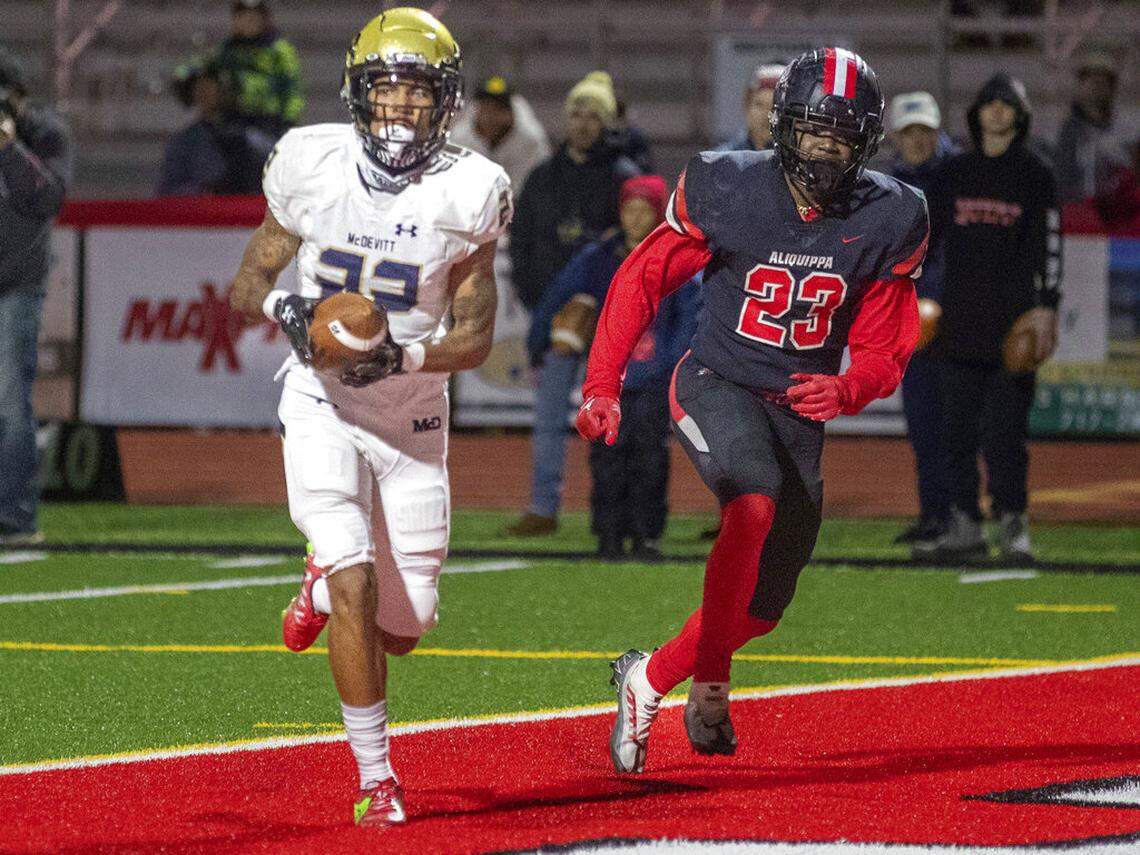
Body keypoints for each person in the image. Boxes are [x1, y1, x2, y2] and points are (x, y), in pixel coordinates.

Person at [577, 48, 927, 773]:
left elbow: (886, 343)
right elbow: (642, 279)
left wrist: (850, 386)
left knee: (764, 609)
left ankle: (648, 677)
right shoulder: (728, 184)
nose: (825, 149)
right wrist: (602, 382)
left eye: (841, 136)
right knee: (751, 506)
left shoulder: (893, 213)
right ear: (780, 127)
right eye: (812, 130)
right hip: (715, 379)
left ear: (865, 142)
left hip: (797, 411)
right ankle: (706, 685)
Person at [227, 8, 510, 827]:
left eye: (417, 96)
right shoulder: (309, 163)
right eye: (385, 92)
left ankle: (319, 583)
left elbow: (476, 335)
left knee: (408, 622)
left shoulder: (472, 190)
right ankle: (378, 777)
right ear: (358, 95)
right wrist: (294, 311)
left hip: (413, 419)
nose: (399, 111)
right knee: (355, 572)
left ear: (444, 104)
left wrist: (406, 357)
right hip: (320, 399)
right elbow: (248, 284)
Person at [527, 176, 700, 559]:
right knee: (606, 457)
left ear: (657, 214)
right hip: (609, 382)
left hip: (653, 379)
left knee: (649, 457)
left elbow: (688, 318)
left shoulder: (674, 256)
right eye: (629, 209)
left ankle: (646, 535)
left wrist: (667, 365)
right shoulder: (597, 258)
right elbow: (558, 294)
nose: (636, 218)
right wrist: (539, 339)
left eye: (644, 210)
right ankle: (607, 534)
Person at [929, 73, 1060, 563]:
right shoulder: (954, 172)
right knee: (956, 431)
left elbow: (1051, 244)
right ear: (977, 113)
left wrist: (1046, 306)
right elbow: (927, 237)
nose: (998, 111)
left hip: (1013, 324)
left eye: (1008, 104)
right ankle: (965, 523)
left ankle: (1013, 522)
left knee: (1006, 436)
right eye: (990, 103)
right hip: (958, 321)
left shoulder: (1036, 175)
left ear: (1021, 116)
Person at [506, 70, 640, 537]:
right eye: (576, 113)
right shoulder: (542, 176)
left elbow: (635, 248)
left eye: (593, 115)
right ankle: (543, 507)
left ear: (606, 122)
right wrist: (538, 302)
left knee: (614, 421)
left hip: (609, 323)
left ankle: (613, 512)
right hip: (554, 316)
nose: (583, 123)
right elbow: (520, 242)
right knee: (546, 419)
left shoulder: (624, 177)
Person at [0, 45, 71, 545]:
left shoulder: (46, 134)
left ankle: (16, 515)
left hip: (17, 284)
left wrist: (9, 149)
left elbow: (50, 196)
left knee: (9, 402)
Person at [886, 92, 959, 554]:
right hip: (909, 316)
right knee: (923, 423)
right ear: (896, 135)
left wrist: (934, 298)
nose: (917, 140)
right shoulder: (888, 183)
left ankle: (957, 516)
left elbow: (954, 250)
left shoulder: (956, 178)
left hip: (950, 317)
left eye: (924, 132)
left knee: (954, 425)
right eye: (910, 132)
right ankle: (932, 514)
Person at [156, 58, 275, 195]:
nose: (204, 93)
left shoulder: (252, 133)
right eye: (198, 88)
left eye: (209, 86)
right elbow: (167, 192)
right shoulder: (184, 142)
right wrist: (203, 192)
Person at [212, 0, 304, 139]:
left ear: (264, 19)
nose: (249, 21)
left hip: (270, 121)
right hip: (235, 119)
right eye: (243, 17)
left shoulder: (279, 49)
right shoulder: (228, 50)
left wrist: (288, 121)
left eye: (254, 17)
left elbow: (292, 87)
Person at [1055, 54, 1127, 205]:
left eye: (1103, 82)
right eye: (1090, 80)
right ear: (1080, 86)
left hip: (1118, 217)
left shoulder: (1124, 132)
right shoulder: (1067, 133)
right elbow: (1062, 181)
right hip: (1079, 216)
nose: (1096, 86)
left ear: (1112, 88)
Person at [719, 63, 784, 152]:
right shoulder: (721, 160)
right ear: (747, 107)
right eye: (759, 105)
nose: (766, 114)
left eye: (774, 107)